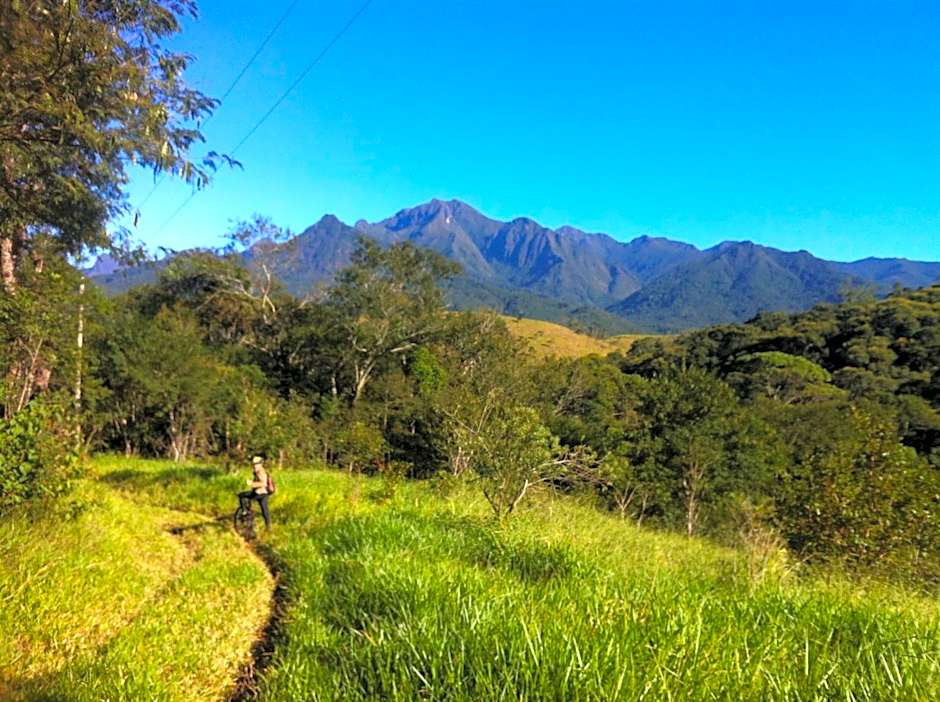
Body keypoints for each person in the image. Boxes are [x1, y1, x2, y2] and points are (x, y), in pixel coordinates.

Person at [238, 455, 272, 529]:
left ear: (260, 464)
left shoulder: (260, 472)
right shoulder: (261, 471)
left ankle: (245, 512)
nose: (254, 465)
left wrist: (251, 483)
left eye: (256, 464)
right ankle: (268, 528)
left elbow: (263, 483)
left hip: (259, 493)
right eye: (253, 464)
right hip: (264, 494)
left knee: (241, 495)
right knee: (265, 511)